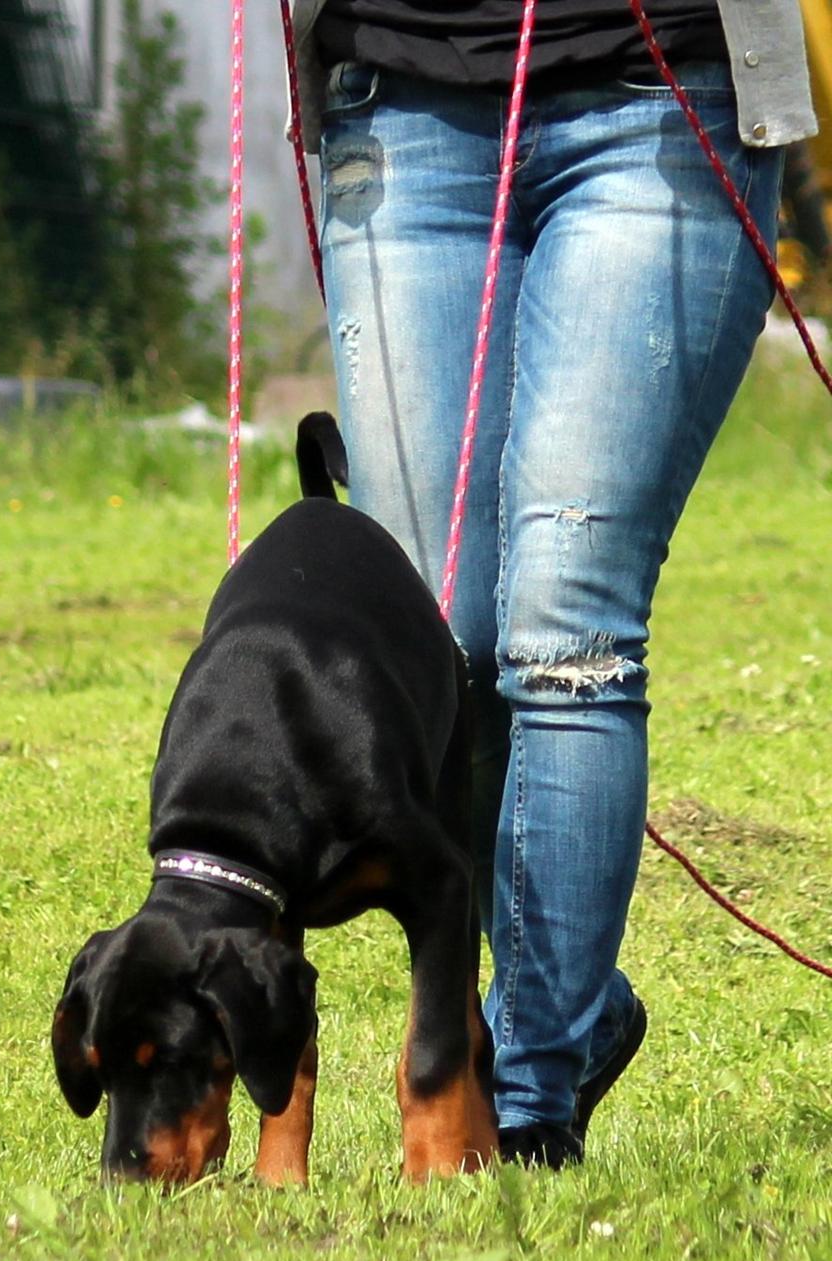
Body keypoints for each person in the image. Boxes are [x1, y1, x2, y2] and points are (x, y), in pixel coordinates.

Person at [288, 1, 817, 1165]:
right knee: (437, 649)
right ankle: (579, 1001)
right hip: (401, 109)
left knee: (567, 631)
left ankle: (529, 1096)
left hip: (658, 100)